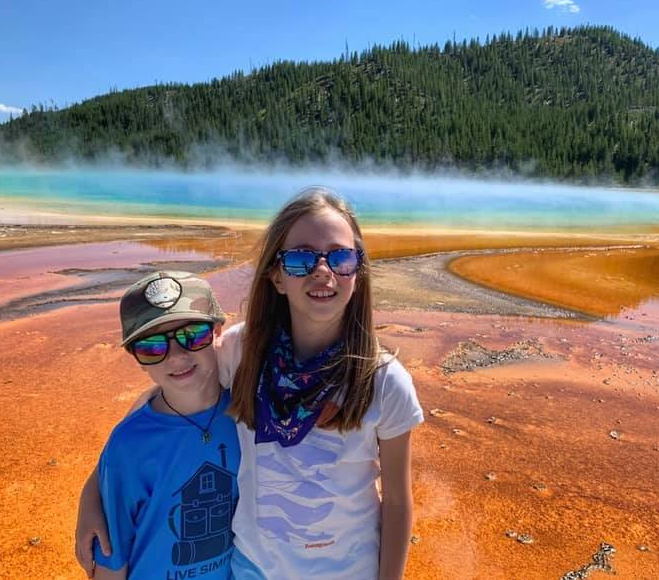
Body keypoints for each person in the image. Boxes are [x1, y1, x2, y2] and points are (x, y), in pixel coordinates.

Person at [78, 188, 424, 579]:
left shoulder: (383, 381)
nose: (323, 271)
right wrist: (94, 491)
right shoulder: (245, 351)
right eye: (300, 258)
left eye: (341, 257)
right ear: (276, 277)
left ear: (358, 272)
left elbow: (396, 502)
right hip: (253, 569)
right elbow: (165, 395)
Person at [87, 271, 240, 580]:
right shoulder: (128, 445)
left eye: (193, 335)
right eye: (153, 346)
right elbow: (111, 552)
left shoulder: (247, 413)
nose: (177, 356)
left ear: (217, 332)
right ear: (137, 358)